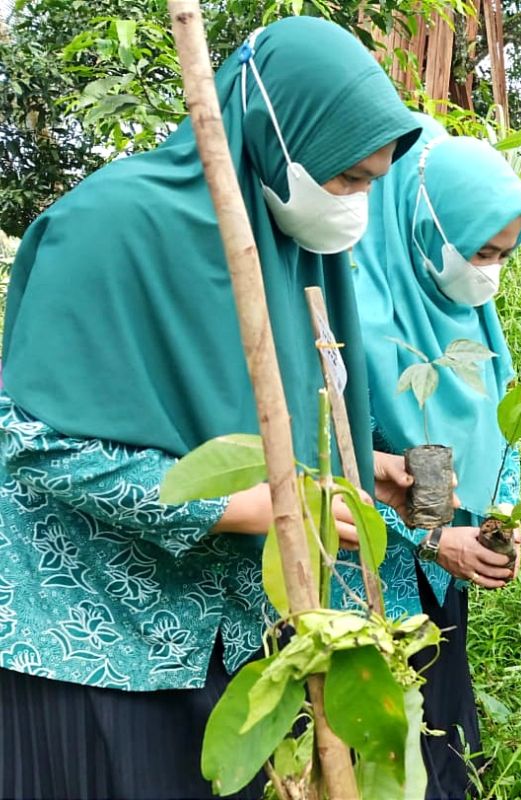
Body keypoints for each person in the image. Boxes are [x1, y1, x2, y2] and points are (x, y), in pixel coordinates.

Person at [0, 18, 421, 799]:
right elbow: (32, 448)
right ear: (275, 135)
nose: (356, 206)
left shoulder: (297, 250)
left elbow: (295, 420)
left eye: (372, 182)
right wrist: (246, 503)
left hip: (234, 645)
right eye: (349, 179)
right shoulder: (110, 229)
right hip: (99, 637)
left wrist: (367, 472)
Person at [345, 114, 521, 799]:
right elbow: (327, 461)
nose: (488, 272)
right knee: (375, 744)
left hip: (444, 570)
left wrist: (500, 514)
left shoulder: (469, 318)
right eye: (479, 251)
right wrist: (430, 538)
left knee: (439, 720)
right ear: (428, 226)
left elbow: (500, 426)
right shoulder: (357, 314)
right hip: (357, 573)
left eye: (503, 256)